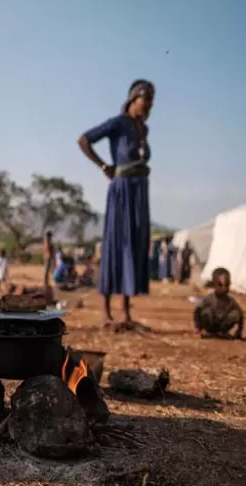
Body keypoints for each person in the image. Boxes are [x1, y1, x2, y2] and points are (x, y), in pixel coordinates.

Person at [78, 79, 155, 323]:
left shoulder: (144, 129)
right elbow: (84, 140)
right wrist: (103, 165)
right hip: (122, 190)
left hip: (140, 192)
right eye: (146, 100)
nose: (149, 105)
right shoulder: (118, 123)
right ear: (134, 99)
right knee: (116, 243)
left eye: (152, 101)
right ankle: (106, 311)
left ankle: (126, 312)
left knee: (133, 244)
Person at [193, 268, 244, 339]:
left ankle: (221, 333)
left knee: (235, 314)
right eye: (220, 285)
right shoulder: (209, 299)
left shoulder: (230, 301)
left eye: (227, 285)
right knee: (206, 311)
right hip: (210, 324)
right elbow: (197, 311)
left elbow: (240, 315)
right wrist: (197, 328)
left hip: (222, 325)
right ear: (214, 285)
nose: (224, 288)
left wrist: (238, 332)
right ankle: (209, 332)